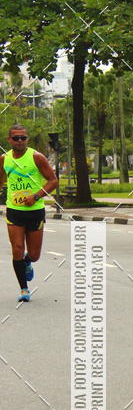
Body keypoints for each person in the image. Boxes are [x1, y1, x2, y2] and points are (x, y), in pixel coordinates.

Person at [0, 125, 58, 302]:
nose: (19, 141)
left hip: (34, 211)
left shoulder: (36, 157)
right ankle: (24, 289)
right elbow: (1, 179)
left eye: (23, 138)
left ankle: (27, 262)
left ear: (27, 139)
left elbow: (53, 181)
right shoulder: (4, 159)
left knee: (34, 255)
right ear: (9, 140)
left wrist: (36, 196)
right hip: (14, 211)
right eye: (16, 138)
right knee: (17, 249)